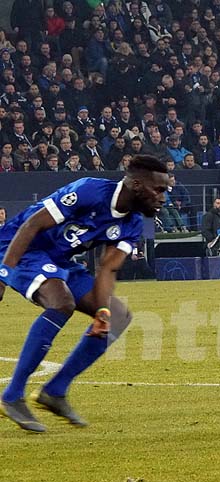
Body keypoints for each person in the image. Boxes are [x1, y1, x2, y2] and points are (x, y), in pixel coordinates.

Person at [0, 155, 169, 432]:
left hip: (59, 260)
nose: (163, 198)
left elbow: (107, 270)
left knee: (116, 316)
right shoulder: (89, 190)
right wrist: (4, 273)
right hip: (19, 248)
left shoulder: (132, 224)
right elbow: (31, 225)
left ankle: (54, 391)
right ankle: (12, 395)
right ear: (137, 185)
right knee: (61, 301)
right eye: (159, 190)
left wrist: (102, 311)